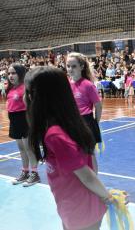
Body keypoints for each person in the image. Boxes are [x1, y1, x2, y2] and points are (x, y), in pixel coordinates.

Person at [24, 66, 115, 230]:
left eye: (29, 92)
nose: (26, 97)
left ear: (39, 97)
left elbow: (87, 175)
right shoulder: (68, 122)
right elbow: (92, 164)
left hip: (80, 210)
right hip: (76, 204)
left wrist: (108, 198)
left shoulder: (55, 135)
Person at [66, 52, 102, 172]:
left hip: (86, 122)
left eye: (74, 66)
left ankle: (94, 183)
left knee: (89, 155)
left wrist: (95, 122)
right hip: (71, 122)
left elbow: (98, 105)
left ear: (81, 67)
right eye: (68, 66)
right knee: (75, 154)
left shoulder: (88, 85)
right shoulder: (66, 84)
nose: (70, 69)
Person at [7, 64, 41, 187]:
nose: (10, 76)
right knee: (21, 148)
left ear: (21, 74)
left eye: (14, 73)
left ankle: (35, 173)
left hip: (25, 120)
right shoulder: (10, 89)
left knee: (29, 148)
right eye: (9, 73)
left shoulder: (25, 88)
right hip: (14, 120)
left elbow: (31, 107)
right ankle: (25, 171)